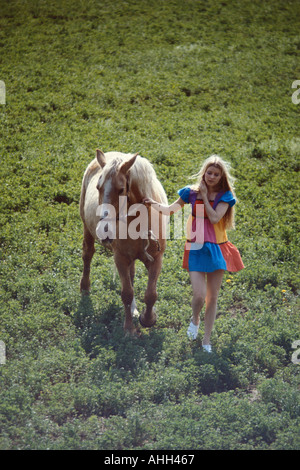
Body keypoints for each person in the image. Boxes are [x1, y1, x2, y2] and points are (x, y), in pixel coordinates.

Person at [143, 155, 244, 352]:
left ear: (221, 176)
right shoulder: (190, 193)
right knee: (199, 295)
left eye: (216, 174)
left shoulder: (225, 196)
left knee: (212, 297)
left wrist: (205, 196)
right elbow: (170, 209)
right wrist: (151, 203)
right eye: (209, 172)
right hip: (195, 247)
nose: (212, 176)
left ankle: (206, 340)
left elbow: (214, 219)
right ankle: (195, 318)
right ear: (204, 173)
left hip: (218, 248)